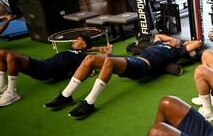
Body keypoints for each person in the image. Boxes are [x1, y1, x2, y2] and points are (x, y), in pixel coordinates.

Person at [44, 34, 202, 120]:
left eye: (176, 41)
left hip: (142, 66)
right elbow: (159, 35)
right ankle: (66, 96)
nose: (172, 40)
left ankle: (89, 103)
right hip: (134, 61)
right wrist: (171, 39)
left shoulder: (176, 52)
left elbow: (198, 43)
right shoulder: (159, 44)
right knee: (90, 59)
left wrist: (181, 42)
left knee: (109, 62)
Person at [0, 34, 112, 107]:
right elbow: (85, 48)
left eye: (77, 40)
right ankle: (1, 87)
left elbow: (104, 59)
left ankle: (11, 93)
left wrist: (108, 50)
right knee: (1, 54)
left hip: (46, 69)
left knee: (11, 57)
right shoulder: (76, 51)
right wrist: (97, 47)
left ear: (83, 44)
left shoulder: (86, 57)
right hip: (42, 64)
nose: (74, 41)